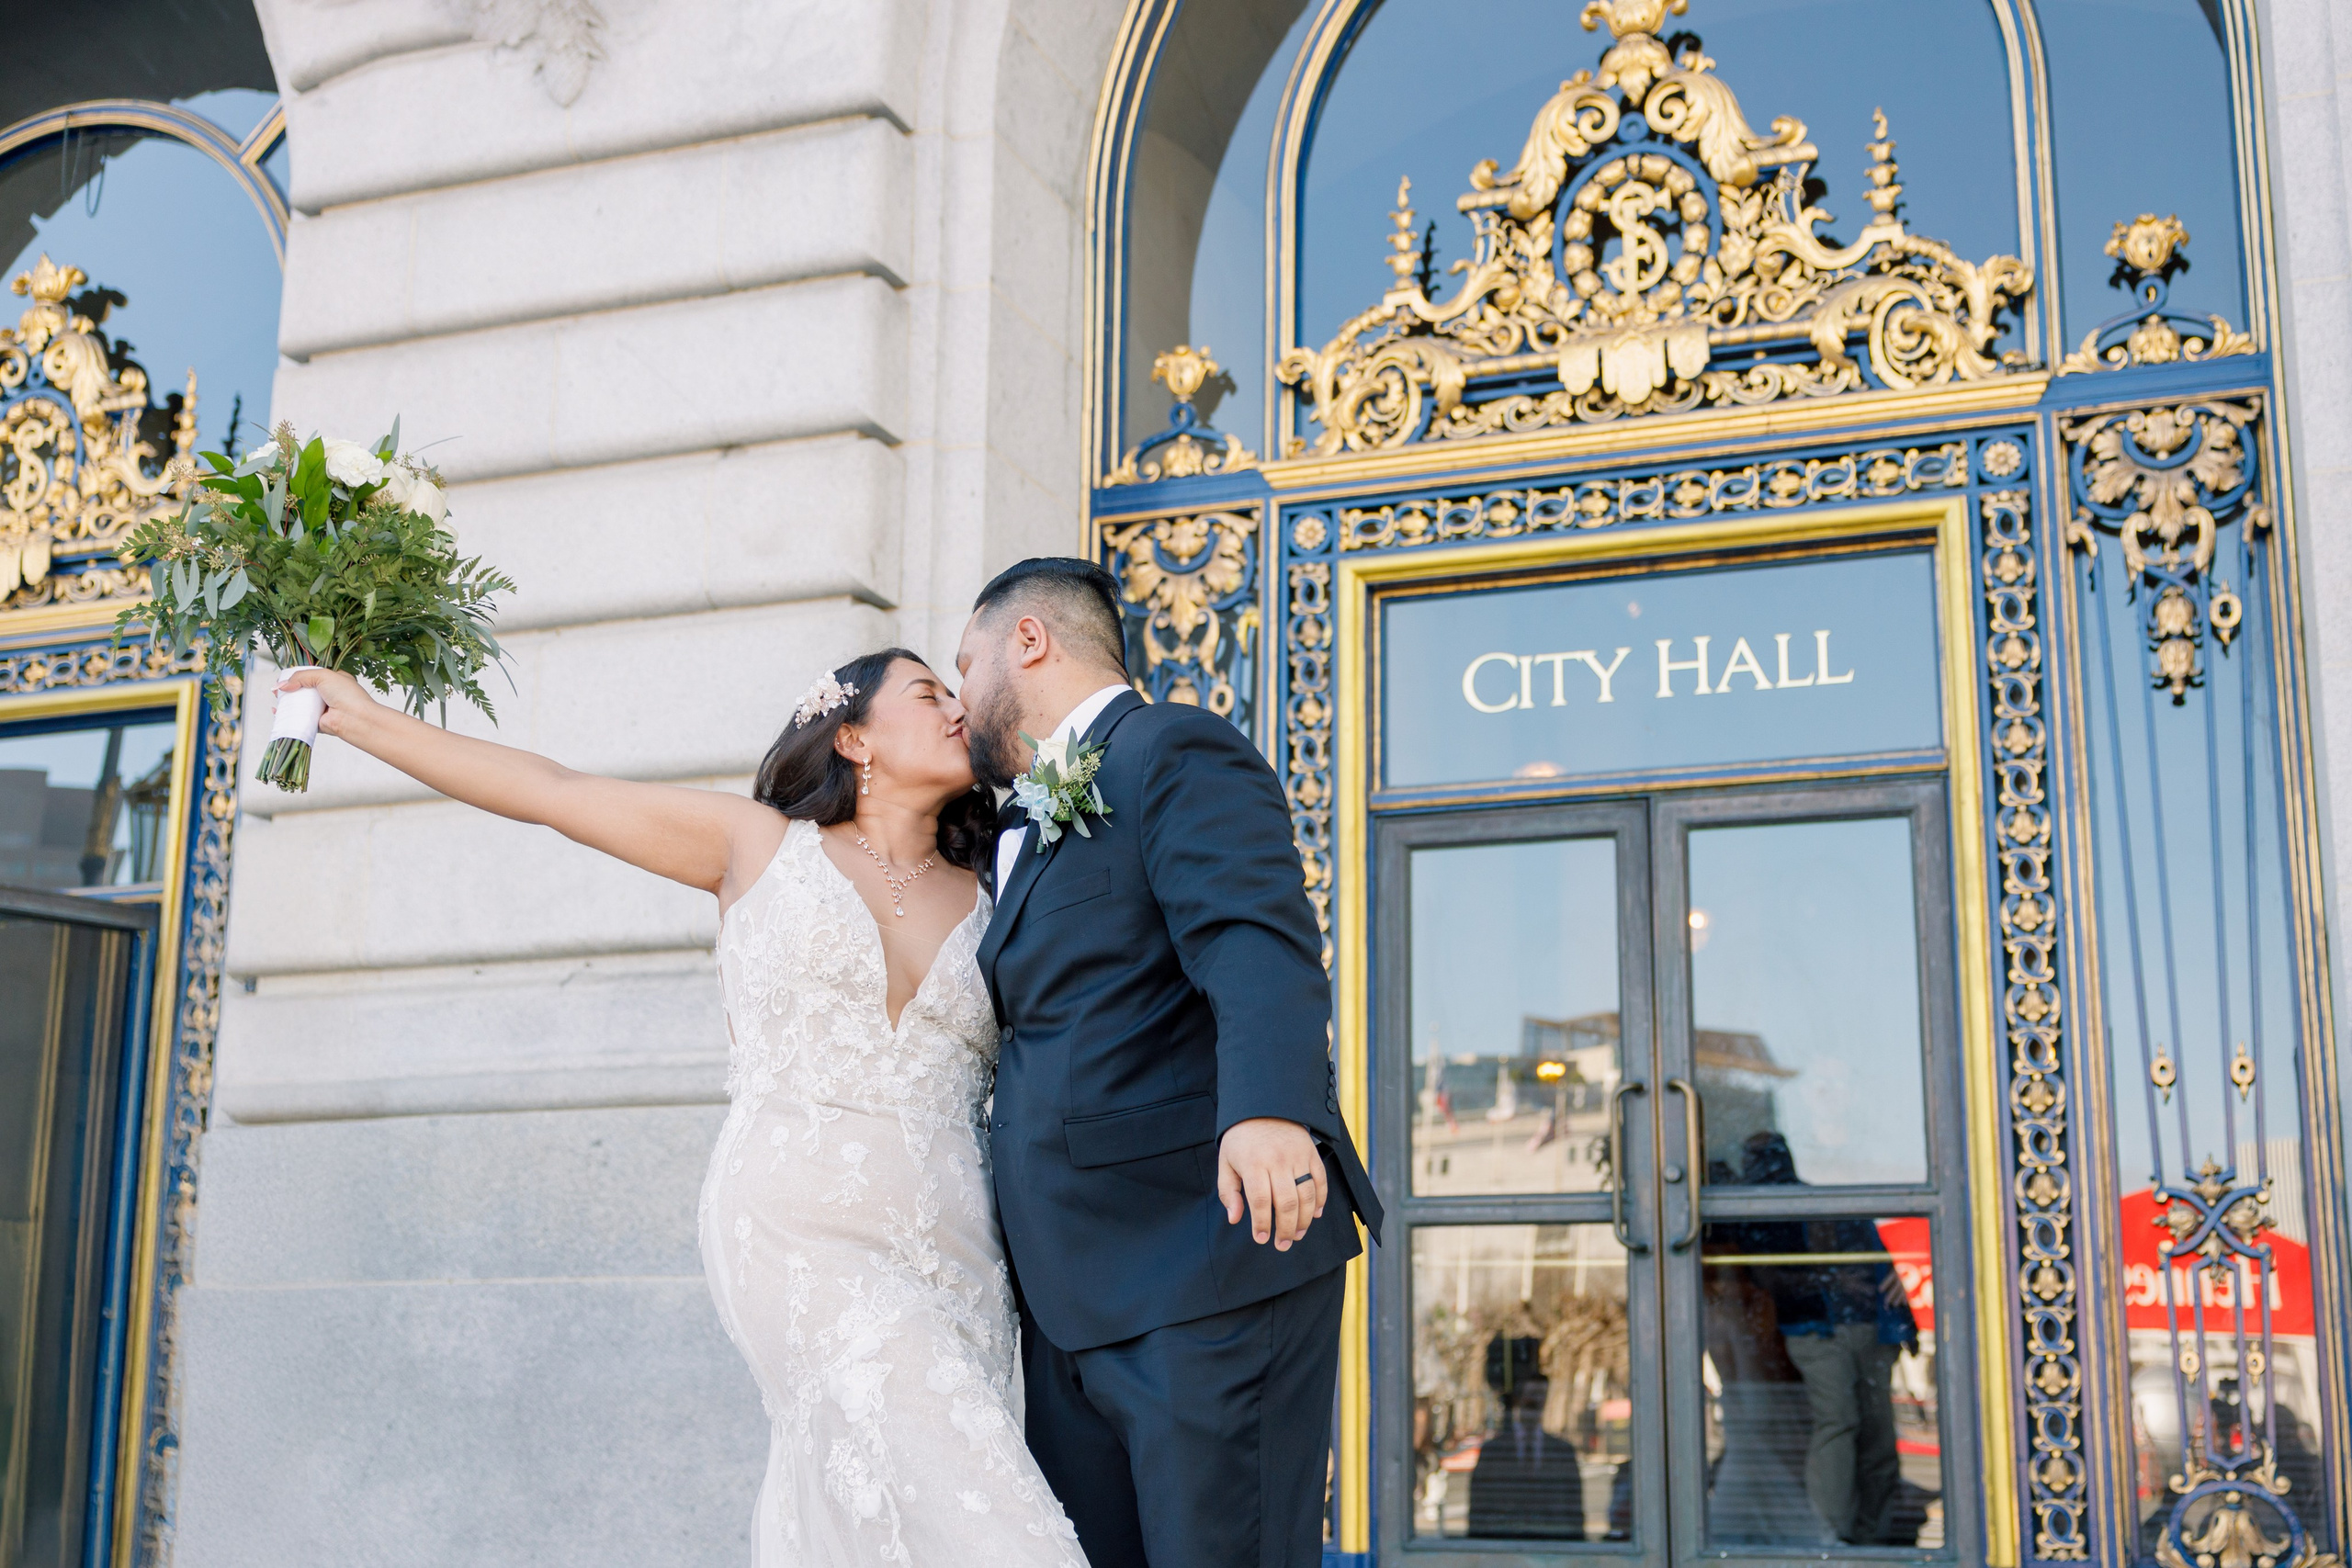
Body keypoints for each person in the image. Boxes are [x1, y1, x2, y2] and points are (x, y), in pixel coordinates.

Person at [274, 649, 1088, 1568]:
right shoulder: (756, 846)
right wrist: (363, 717)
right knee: (991, 1515)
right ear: (853, 736)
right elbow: (551, 790)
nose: (954, 707)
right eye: (928, 692)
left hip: (959, 1260)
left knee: (894, 1510)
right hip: (798, 1232)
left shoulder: (1000, 890)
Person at [952, 557, 1384, 1568]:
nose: (958, 695)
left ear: (1029, 642)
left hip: (1201, 1266)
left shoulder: (1172, 750)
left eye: (964, 665)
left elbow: (1251, 935)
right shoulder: (1014, 823)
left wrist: (1271, 1111)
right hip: (1069, 1299)